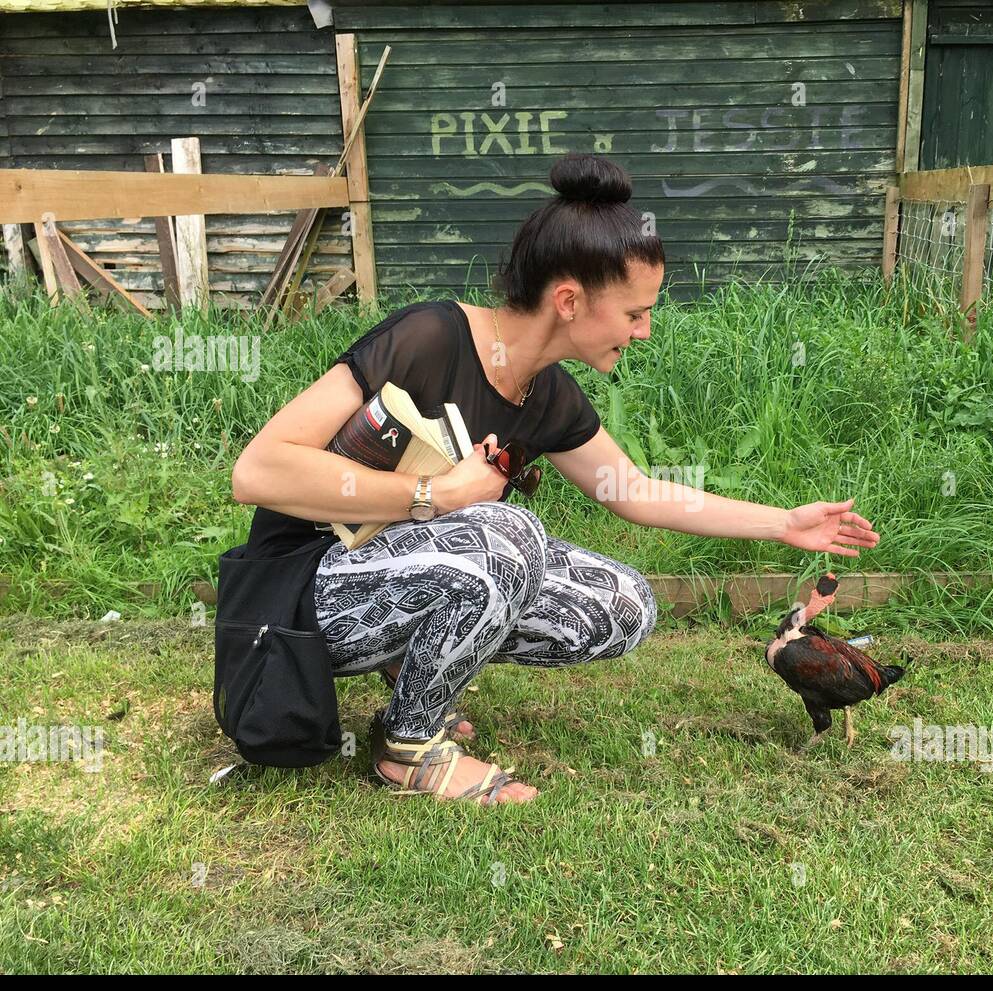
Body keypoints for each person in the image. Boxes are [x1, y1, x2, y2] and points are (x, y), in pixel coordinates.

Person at [229, 152, 881, 806]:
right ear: (568, 300)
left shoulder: (547, 395)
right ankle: (410, 748)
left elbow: (635, 490)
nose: (645, 330)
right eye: (634, 312)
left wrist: (784, 522)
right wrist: (435, 493)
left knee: (624, 603)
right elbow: (257, 469)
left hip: (404, 577)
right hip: (302, 594)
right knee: (508, 533)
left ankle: (417, 673)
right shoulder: (430, 337)